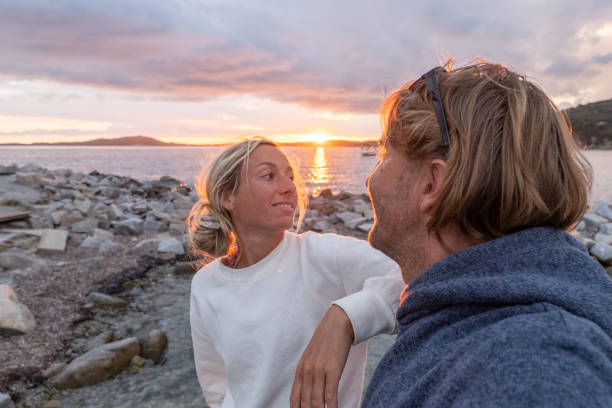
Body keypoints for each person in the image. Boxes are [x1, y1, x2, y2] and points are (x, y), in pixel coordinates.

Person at [362, 61, 612, 407]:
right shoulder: (482, 319)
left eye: (385, 156)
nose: (370, 180)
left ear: (432, 184)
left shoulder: (533, 367)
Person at [187, 138, 404, 408]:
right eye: (269, 175)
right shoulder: (205, 285)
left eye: (290, 176)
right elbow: (216, 386)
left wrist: (345, 317)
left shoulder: (325, 255)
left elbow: (415, 278)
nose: (289, 186)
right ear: (227, 197)